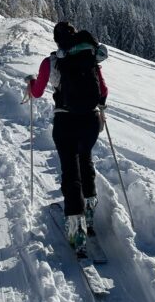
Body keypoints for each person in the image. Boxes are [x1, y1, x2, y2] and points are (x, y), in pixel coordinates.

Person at [26, 21, 108, 256]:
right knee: (86, 162)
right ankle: (89, 217)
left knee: (70, 172)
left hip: (66, 121)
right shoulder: (89, 58)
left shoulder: (51, 61)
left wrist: (30, 84)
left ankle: (76, 229)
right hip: (91, 121)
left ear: (56, 39)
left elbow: (38, 92)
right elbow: (103, 91)